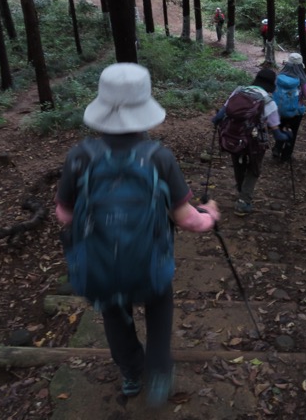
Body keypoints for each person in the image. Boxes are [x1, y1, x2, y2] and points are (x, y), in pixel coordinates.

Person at [55, 63, 220, 406]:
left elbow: (64, 214)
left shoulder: (79, 157)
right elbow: (187, 219)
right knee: (159, 306)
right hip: (149, 263)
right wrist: (211, 216)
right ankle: (159, 372)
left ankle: (131, 373)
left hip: (99, 266)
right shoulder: (158, 158)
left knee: (115, 315)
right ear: (145, 109)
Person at [212, 68, 289, 215]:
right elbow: (277, 133)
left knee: (238, 164)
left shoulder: (239, 91)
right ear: (272, 84)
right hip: (255, 142)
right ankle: (244, 201)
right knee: (254, 169)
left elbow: (221, 113)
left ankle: (242, 190)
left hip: (233, 137)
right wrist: (287, 137)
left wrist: (216, 122)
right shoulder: (268, 102)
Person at [272, 53, 306, 162]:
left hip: (278, 110)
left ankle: (277, 148)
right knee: (292, 133)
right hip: (295, 112)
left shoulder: (279, 76)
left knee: (281, 128)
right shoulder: (301, 79)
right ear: (300, 66)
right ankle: (286, 156)